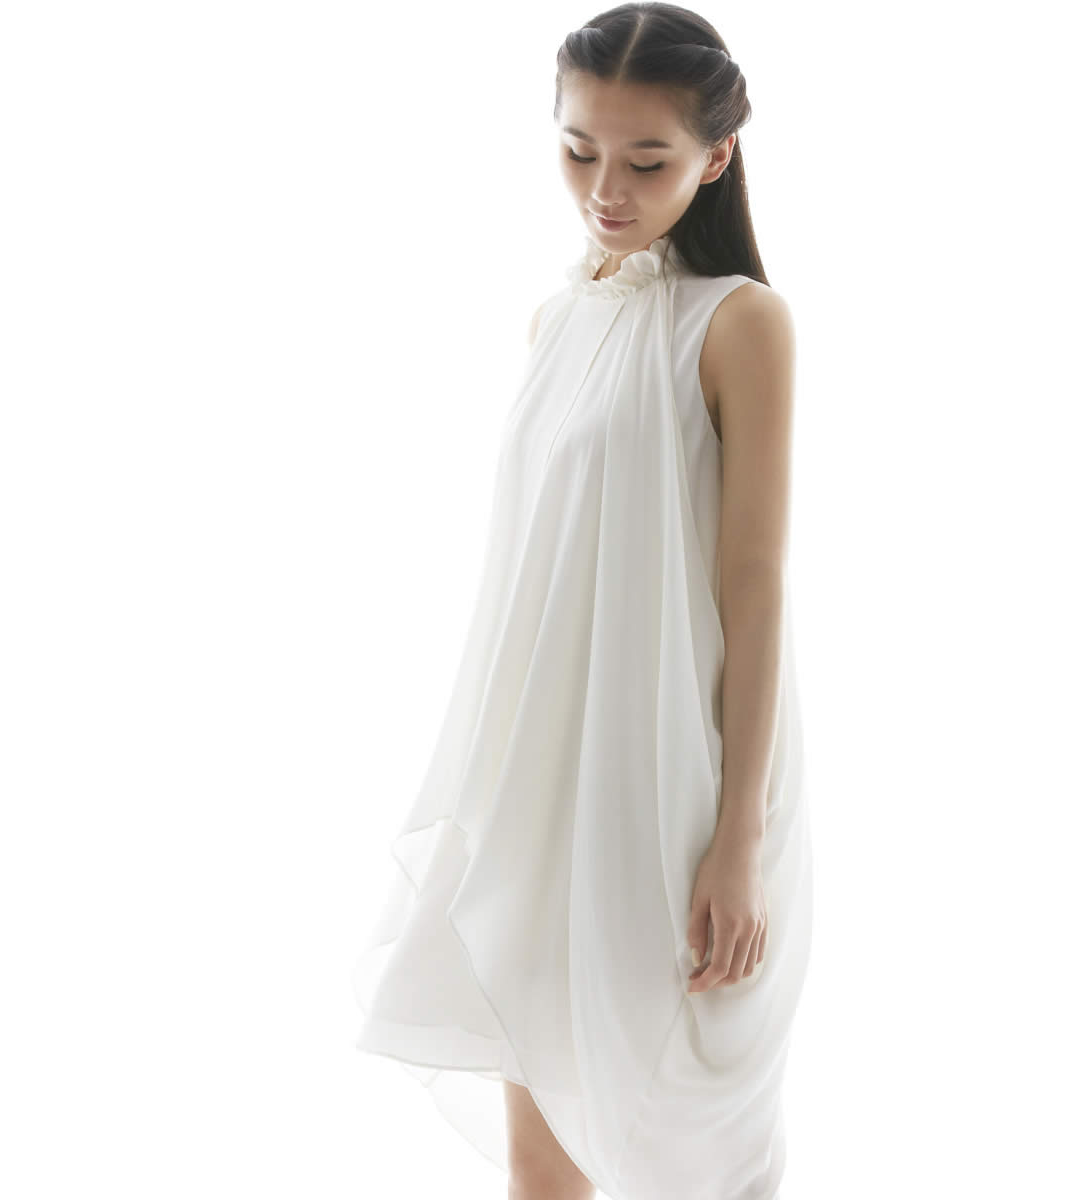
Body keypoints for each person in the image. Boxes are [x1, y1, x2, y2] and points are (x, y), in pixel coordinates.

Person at [350, 6, 814, 1199]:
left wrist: (737, 842)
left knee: (690, 1140)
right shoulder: (556, 320)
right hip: (546, 788)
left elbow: (754, 584)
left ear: (716, 154)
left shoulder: (740, 324)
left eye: (647, 160)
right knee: (542, 1158)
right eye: (578, 150)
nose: (606, 190)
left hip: (678, 788)